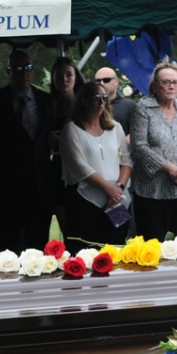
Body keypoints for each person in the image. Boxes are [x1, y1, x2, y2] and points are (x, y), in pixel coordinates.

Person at [0, 50, 54, 253]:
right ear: (8, 71)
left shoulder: (46, 100)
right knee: (5, 248)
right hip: (6, 189)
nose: (24, 73)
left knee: (38, 249)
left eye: (28, 68)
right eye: (18, 69)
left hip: (39, 187)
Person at [132, 59, 177, 240]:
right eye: (166, 82)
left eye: (175, 82)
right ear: (155, 85)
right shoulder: (143, 108)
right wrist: (171, 168)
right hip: (154, 189)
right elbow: (139, 146)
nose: (171, 86)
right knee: (155, 241)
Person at [60, 81, 132, 254]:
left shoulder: (116, 128)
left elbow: (127, 159)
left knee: (117, 246)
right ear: (84, 100)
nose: (101, 102)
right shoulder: (71, 129)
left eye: (104, 98)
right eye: (96, 97)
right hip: (86, 199)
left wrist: (118, 188)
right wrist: (108, 189)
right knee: (86, 250)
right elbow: (79, 166)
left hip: (118, 200)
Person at [49, 57, 85, 237]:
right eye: (59, 76)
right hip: (58, 165)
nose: (64, 80)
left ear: (76, 77)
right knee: (60, 204)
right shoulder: (48, 105)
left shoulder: (87, 104)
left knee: (89, 209)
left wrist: (63, 140)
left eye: (69, 75)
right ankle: (69, 243)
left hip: (87, 164)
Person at [95, 67, 137, 138]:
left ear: (116, 82)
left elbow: (137, 132)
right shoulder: (90, 107)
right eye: (98, 81)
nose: (102, 83)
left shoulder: (130, 105)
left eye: (106, 80)